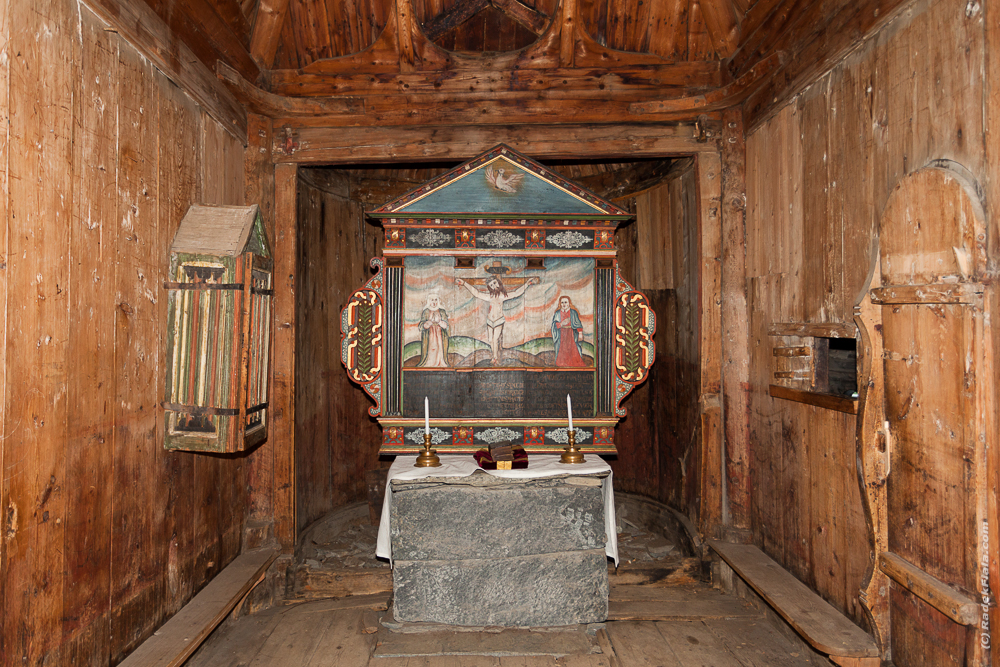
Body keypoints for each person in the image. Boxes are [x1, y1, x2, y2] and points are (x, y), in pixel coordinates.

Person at [456, 275, 540, 365]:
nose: (494, 286)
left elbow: (516, 293)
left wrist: (527, 284)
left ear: (499, 283)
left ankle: (495, 358)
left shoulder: (503, 296)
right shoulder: (489, 296)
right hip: (490, 321)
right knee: (490, 340)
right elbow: (477, 293)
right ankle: (494, 356)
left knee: (495, 339)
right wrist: (464, 283)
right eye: (491, 285)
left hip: (498, 321)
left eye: (495, 283)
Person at [551, 295, 587, 367]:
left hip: (571, 333)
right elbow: (554, 325)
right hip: (561, 333)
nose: (564, 304)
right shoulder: (557, 313)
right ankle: (562, 363)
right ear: (560, 304)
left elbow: (578, 324)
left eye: (565, 302)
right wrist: (562, 323)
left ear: (569, 303)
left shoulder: (573, 312)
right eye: (562, 302)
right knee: (562, 349)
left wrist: (580, 333)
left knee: (573, 349)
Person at [417, 290, 449, 367]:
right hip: (430, 335)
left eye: (435, 300)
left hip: (440, 335)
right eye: (432, 300)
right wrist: (428, 323)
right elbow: (421, 325)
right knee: (431, 348)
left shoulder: (442, 311)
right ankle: (429, 363)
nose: (434, 302)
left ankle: (440, 362)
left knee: (439, 348)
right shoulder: (426, 311)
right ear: (429, 301)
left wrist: (440, 322)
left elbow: (446, 326)